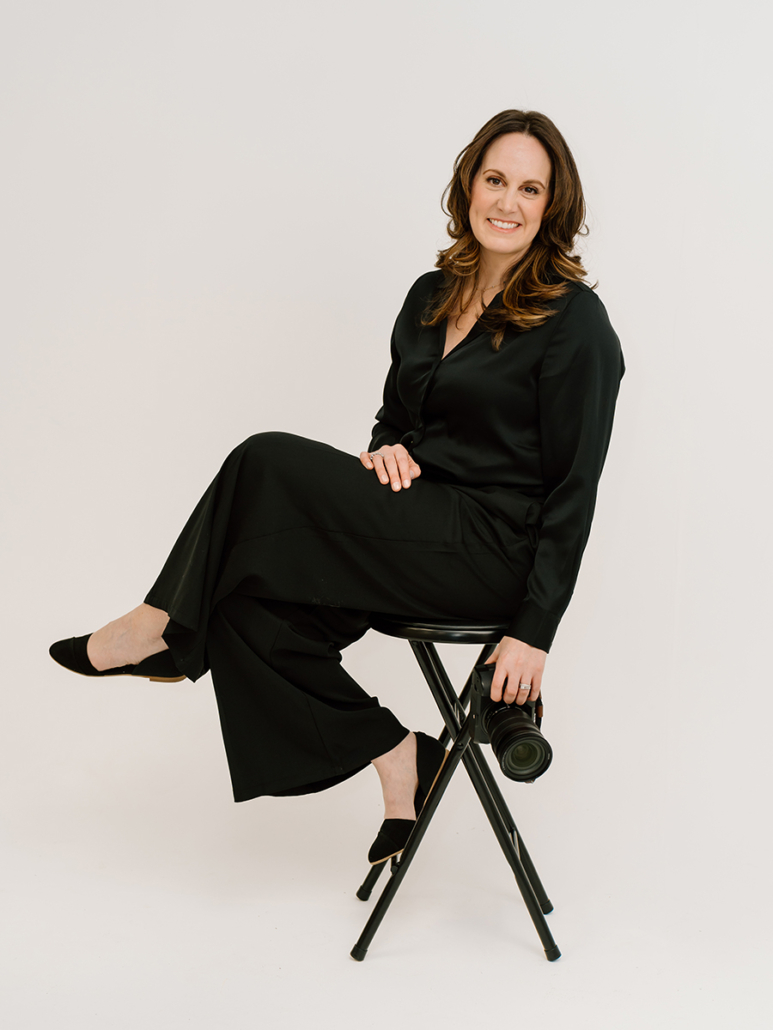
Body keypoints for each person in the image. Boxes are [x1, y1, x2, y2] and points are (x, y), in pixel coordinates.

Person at [49, 109, 625, 865]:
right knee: (247, 613)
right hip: (417, 528)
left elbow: (575, 486)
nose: (507, 202)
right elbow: (397, 416)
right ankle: (398, 761)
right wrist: (387, 449)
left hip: (493, 552)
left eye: (529, 188)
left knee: (265, 458)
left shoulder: (574, 321)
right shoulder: (430, 296)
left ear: (553, 208)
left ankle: (156, 622)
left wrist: (534, 629)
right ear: (468, 184)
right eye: (494, 179)